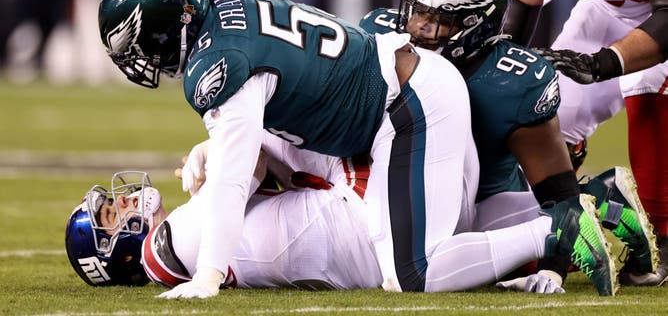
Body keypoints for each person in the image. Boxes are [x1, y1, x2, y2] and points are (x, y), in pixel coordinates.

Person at [97, 0, 478, 298]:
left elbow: (234, 178)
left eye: (138, 46)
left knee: (412, 273)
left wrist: (209, 273)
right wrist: (215, 148)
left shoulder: (218, 62)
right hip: (379, 86)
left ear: (165, 28)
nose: (141, 59)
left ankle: (536, 238)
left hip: (396, 107)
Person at [357, 0, 656, 294]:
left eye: (438, 17)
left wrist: (552, 270)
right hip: (406, 180)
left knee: (475, 261)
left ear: (474, 23)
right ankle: (601, 195)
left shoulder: (510, 81)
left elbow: (559, 197)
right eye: (416, 10)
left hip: (482, 194)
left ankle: (604, 202)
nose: (418, 27)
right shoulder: (378, 34)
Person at [66, 142, 610, 295]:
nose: (126, 202)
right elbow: (253, 161)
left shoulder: (180, 249)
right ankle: (556, 218)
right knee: (291, 125)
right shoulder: (173, 240)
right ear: (113, 251)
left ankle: (583, 207)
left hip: (333, 244)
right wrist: (221, 146)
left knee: (456, 226)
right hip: (347, 222)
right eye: (113, 213)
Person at [495, 0, 668, 286]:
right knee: (546, 108)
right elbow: (507, 36)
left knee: (647, 84)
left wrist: (605, 62)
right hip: (611, 9)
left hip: (661, 16)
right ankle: (564, 226)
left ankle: (664, 239)